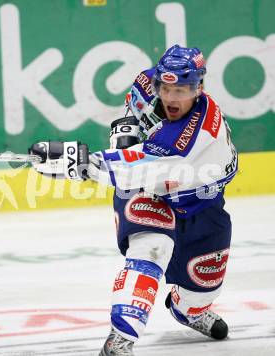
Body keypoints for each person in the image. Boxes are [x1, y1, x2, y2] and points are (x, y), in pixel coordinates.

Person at [29, 44, 238, 355]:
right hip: (149, 191)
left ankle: (189, 310)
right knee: (151, 249)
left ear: (199, 87)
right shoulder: (145, 84)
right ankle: (120, 339)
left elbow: (147, 164)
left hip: (200, 201)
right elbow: (131, 123)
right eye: (166, 88)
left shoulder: (200, 131)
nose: (171, 97)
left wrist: (85, 163)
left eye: (181, 90)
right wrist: (122, 140)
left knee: (203, 284)